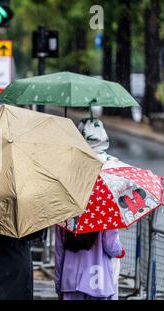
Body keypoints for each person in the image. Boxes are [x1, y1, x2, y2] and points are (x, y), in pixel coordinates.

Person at [77, 117, 125, 299]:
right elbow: (111, 244)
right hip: (104, 273)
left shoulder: (71, 171)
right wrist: (120, 250)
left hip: (73, 274)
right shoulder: (114, 169)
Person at [55, 227, 125, 300]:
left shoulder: (62, 218)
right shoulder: (105, 217)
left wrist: (58, 285)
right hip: (97, 281)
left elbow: (59, 255)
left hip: (70, 281)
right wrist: (120, 249)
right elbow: (111, 247)